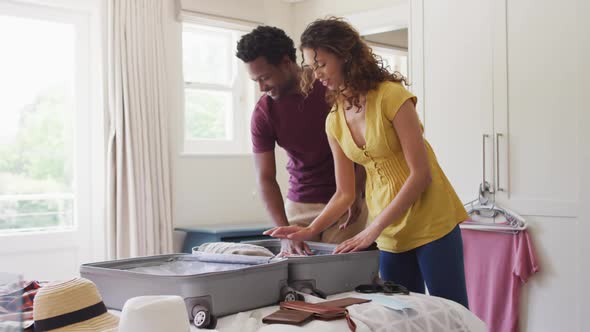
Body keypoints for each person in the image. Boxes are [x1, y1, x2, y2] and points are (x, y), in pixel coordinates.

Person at [264, 18, 469, 307]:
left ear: (345, 55)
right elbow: (345, 193)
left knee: (452, 312)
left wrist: (370, 230)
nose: (317, 73)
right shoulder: (334, 119)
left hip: (431, 219)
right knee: (400, 316)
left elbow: (420, 175)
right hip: (388, 231)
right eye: (311, 66)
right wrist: (310, 230)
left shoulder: (392, 96)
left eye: (322, 63)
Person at [236, 25, 367, 256]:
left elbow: (366, 146)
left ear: (286, 62)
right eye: (255, 80)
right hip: (301, 204)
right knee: (296, 272)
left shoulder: (330, 87)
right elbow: (265, 177)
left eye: (265, 77)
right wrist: (284, 229)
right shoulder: (263, 113)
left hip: (348, 198)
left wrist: (356, 193)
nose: (261, 88)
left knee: (337, 271)